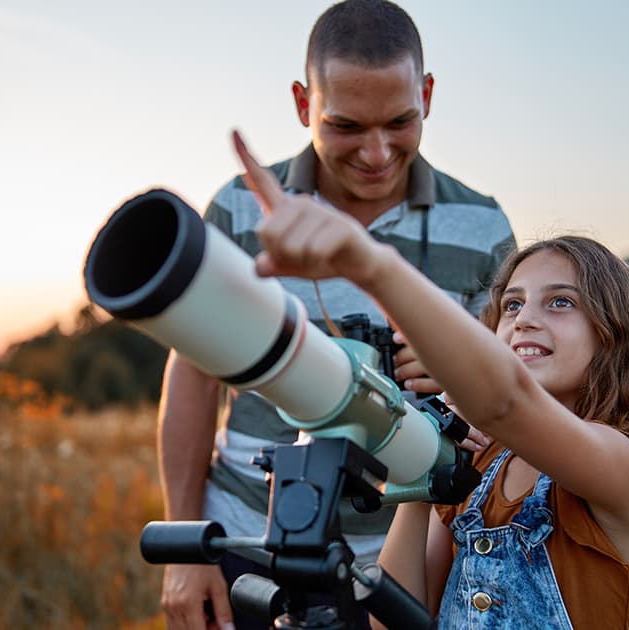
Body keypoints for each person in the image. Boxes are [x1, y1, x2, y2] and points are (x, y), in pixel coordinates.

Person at [232, 130, 629, 628]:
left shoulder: (622, 466)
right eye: (512, 304)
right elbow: (397, 619)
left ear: (614, 336)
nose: (524, 319)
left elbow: (508, 404)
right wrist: (426, 467)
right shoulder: (481, 467)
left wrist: (370, 266)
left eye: (561, 301)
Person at [157, 2, 517, 628]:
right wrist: (188, 548)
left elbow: (520, 399)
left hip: (416, 557)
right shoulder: (242, 209)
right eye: (346, 125)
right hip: (248, 538)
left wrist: (460, 374)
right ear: (303, 104)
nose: (377, 153)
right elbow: (192, 376)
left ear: (427, 95)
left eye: (400, 121)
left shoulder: (484, 226)